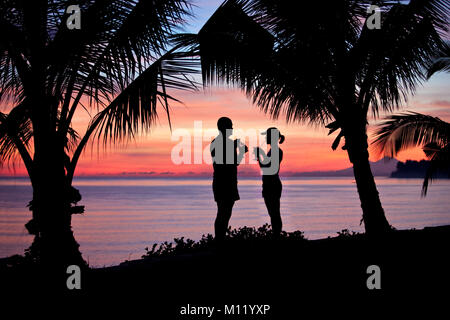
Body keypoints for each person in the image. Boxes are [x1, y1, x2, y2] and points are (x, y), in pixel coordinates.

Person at [210, 117, 248, 241]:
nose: (232, 129)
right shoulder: (222, 143)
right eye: (230, 126)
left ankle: (220, 238)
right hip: (224, 183)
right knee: (223, 212)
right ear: (223, 128)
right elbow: (232, 162)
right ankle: (219, 239)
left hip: (226, 182)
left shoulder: (222, 142)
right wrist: (240, 150)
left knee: (224, 212)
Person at [254, 127, 284, 237]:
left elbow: (268, 168)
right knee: (273, 213)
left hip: (272, 185)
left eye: (268, 135)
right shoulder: (273, 151)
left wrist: (259, 156)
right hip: (269, 184)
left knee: (274, 213)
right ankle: (276, 234)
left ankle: (277, 235)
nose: (266, 137)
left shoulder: (276, 151)